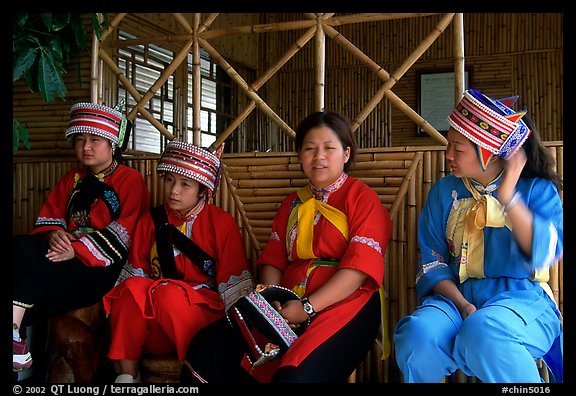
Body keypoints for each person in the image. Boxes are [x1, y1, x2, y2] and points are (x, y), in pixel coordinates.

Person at [182, 110, 392, 383]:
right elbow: (273, 262)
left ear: (346, 154)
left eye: (329, 148)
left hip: (346, 304)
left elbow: (357, 270)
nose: (319, 157)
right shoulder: (291, 203)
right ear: (300, 155)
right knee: (208, 345)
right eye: (310, 148)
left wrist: (306, 308)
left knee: (293, 376)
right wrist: (275, 304)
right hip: (287, 303)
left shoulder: (363, 199)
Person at [393, 89, 563, 383]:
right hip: (457, 299)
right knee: (417, 336)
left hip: (521, 299)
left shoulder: (536, 190)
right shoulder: (444, 192)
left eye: (458, 149)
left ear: (490, 150)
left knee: (486, 331)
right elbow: (433, 262)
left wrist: (508, 196)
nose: (448, 155)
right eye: (449, 144)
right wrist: (462, 305)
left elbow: (544, 253)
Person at [12, 101, 150, 372]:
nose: (85, 147)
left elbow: (127, 231)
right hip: (63, 260)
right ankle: (15, 336)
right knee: (19, 249)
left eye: (95, 140)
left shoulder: (129, 179)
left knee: (23, 251)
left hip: (100, 268)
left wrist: (78, 249)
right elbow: (49, 220)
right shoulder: (72, 179)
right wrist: (55, 235)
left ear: (112, 144)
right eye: (80, 140)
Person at [103, 140, 254, 383]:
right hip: (157, 325)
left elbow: (233, 287)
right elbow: (137, 276)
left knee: (168, 294)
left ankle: (197, 374)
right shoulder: (149, 221)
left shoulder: (221, 223)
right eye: (169, 180)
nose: (174, 190)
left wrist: (234, 339)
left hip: (201, 322)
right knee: (129, 290)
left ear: (202, 190)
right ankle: (126, 377)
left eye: (185, 184)